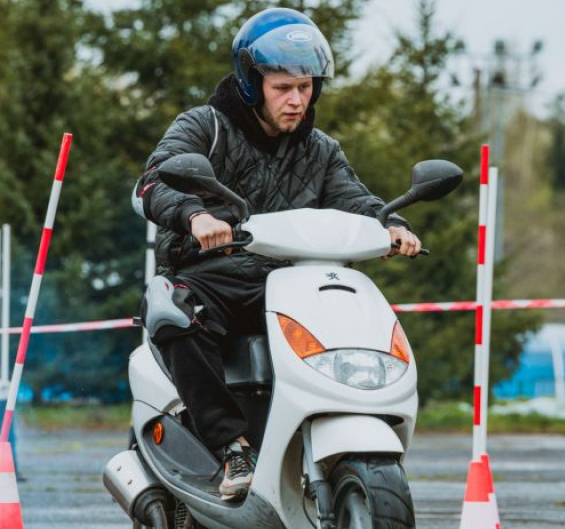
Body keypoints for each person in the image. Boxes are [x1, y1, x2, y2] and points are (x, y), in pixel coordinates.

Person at [134, 7, 422, 500]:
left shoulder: (320, 149)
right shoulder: (205, 127)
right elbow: (153, 181)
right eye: (282, 88)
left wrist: (391, 224)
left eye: (305, 87)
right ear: (251, 84)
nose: (296, 100)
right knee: (180, 310)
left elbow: (354, 199)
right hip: (212, 273)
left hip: (289, 280)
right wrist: (194, 216)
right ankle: (231, 447)